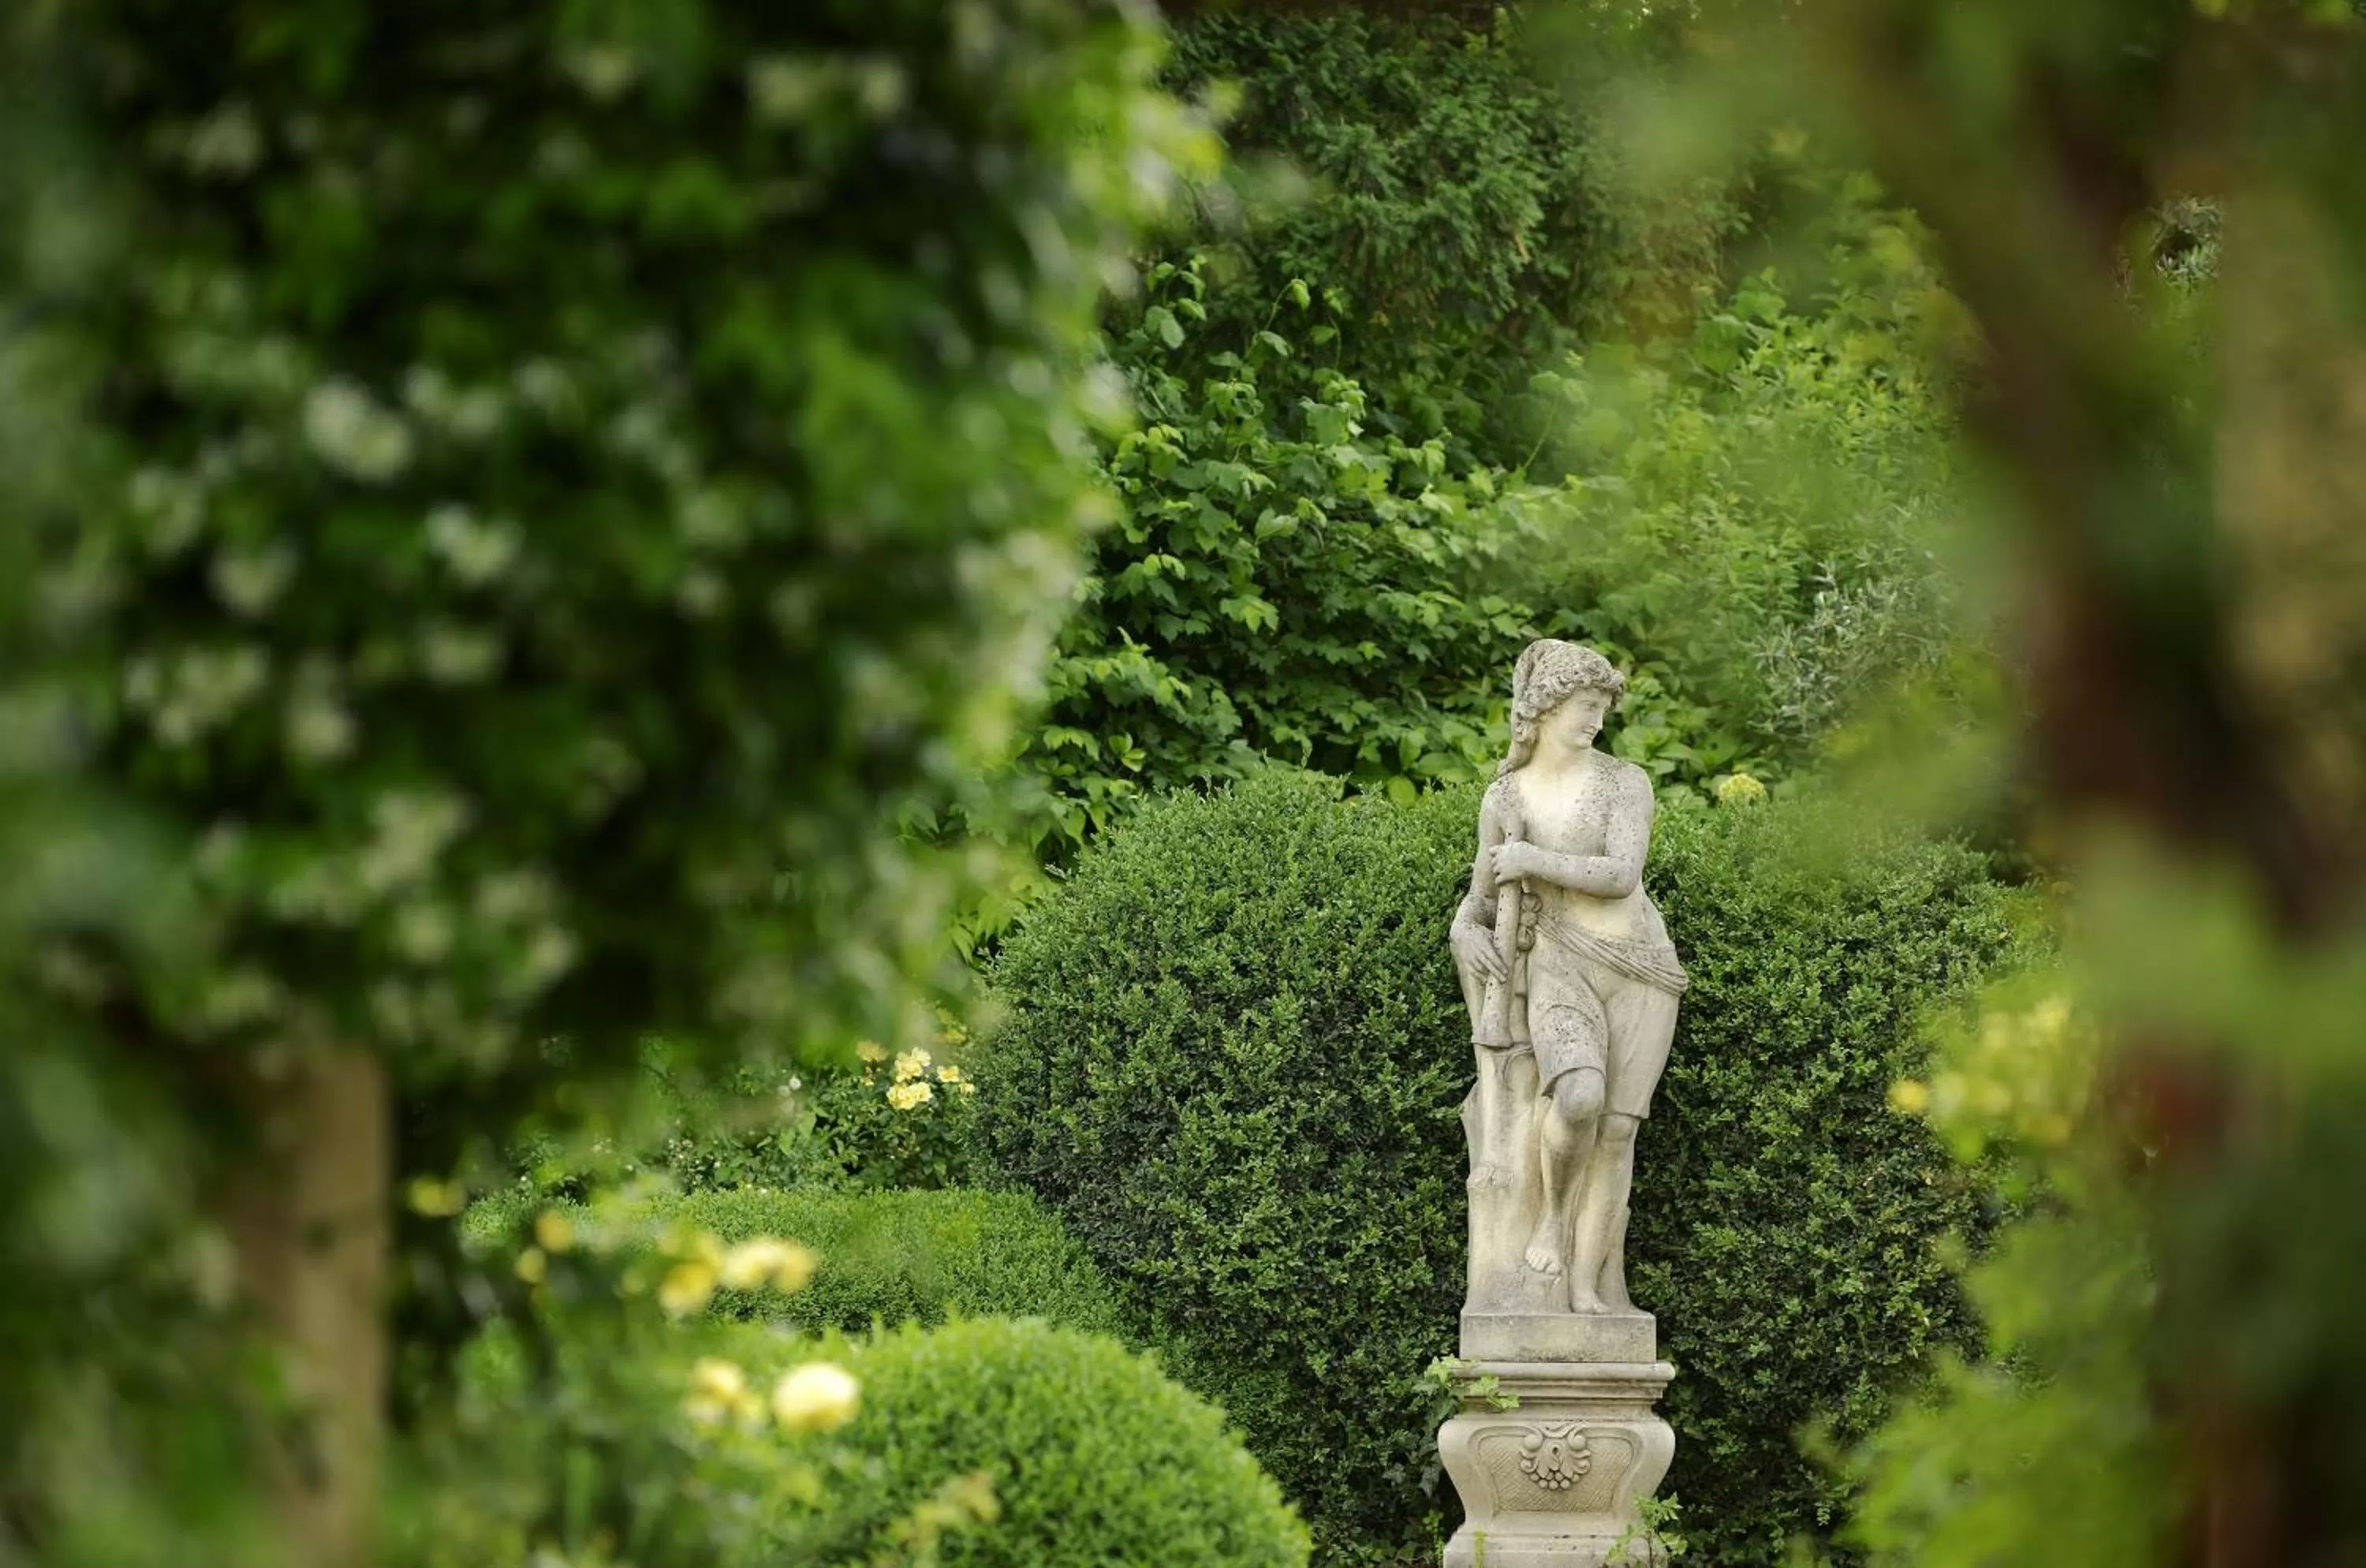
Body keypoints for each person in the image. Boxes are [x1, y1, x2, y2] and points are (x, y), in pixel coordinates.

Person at [1450, 640, 1687, 1314]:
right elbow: (1483, 895)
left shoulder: (1624, 782)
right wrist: (1463, 932)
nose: (1595, 721)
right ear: (1546, 707)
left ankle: (1589, 1287)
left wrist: (1530, 858)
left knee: (1616, 1131)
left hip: (1641, 970)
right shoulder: (1505, 796)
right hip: (1559, 967)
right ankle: (1552, 1218)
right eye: (1585, 707)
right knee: (1578, 1097)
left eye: (1602, 709)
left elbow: (1620, 877)